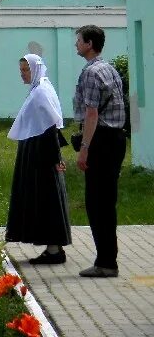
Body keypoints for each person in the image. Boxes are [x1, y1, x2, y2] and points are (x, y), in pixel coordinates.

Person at [6, 53, 72, 264]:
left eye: (26, 70)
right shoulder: (39, 88)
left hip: (41, 155)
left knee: (46, 198)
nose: (23, 74)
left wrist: (55, 157)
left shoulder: (41, 92)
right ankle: (53, 248)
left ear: (36, 69)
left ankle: (54, 249)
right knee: (42, 197)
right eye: (21, 70)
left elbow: (50, 126)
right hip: (37, 152)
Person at [74, 25, 126, 278]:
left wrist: (84, 148)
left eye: (79, 40)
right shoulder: (109, 68)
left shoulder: (91, 73)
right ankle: (107, 259)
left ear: (90, 43)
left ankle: (106, 263)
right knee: (107, 202)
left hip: (101, 140)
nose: (76, 44)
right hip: (116, 138)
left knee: (97, 203)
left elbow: (91, 113)